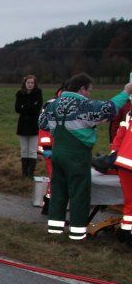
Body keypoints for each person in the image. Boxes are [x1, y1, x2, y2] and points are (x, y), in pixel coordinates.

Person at [38, 73, 132, 240]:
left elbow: (42, 123)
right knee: (79, 193)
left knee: (58, 191)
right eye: (89, 91)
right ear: (82, 89)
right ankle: (77, 233)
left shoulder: (52, 104)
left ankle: (54, 229)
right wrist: (125, 92)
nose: (89, 94)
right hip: (77, 154)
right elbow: (109, 109)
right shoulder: (83, 105)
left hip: (57, 152)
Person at [36, 83, 66, 215]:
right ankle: (51, 207)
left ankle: (50, 205)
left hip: (62, 148)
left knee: (57, 178)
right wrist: (47, 148)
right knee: (55, 177)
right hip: (52, 148)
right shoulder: (51, 105)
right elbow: (44, 128)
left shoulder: (70, 104)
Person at [109, 107, 132, 246]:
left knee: (130, 201)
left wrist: (113, 155)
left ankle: (126, 232)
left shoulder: (129, 114)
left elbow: (119, 136)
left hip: (123, 162)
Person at [14, 75, 43, 177]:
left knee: (32, 150)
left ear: (35, 84)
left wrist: (24, 107)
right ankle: (24, 173)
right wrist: (30, 106)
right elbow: (17, 108)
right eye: (28, 83)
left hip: (33, 125)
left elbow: (37, 107)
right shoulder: (20, 94)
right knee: (24, 150)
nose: (30, 84)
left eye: (32, 83)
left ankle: (30, 174)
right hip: (23, 125)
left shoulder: (38, 93)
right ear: (25, 83)